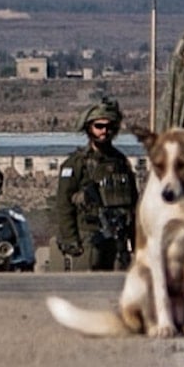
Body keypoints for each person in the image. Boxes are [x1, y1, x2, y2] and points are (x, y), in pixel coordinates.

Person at [55, 97, 138, 271]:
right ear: (89, 128)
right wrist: (70, 240)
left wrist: (136, 240)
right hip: (89, 237)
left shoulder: (120, 161)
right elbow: (64, 205)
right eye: (99, 126)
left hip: (118, 239)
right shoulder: (76, 163)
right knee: (87, 286)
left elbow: (133, 203)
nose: (104, 131)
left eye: (109, 127)